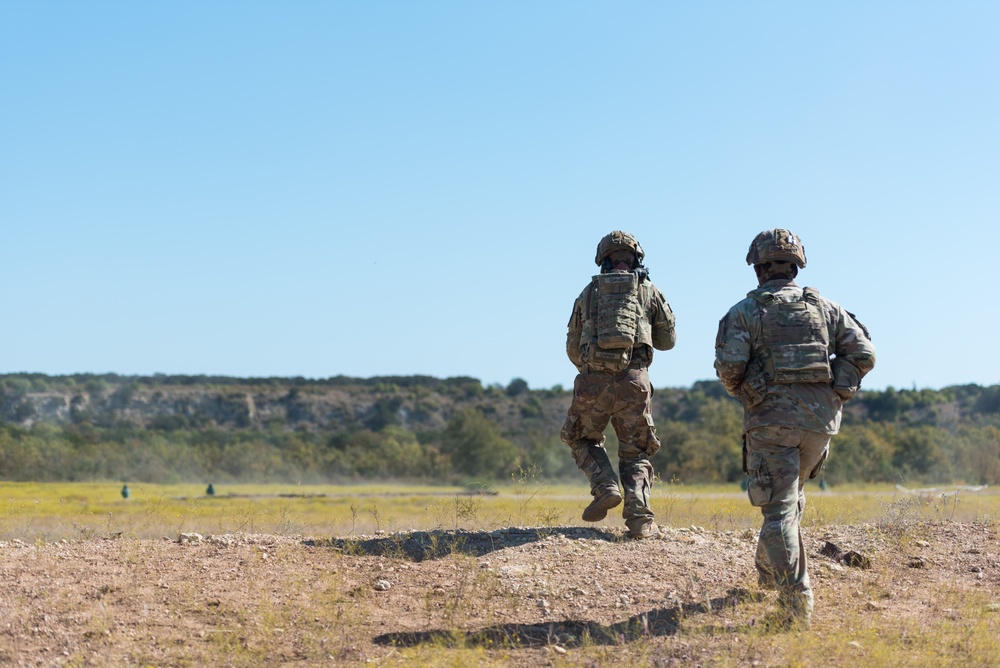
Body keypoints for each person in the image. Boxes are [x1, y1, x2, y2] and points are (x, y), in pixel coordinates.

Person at [714, 228, 875, 629]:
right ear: (796, 265)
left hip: (771, 423)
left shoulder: (745, 312)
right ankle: (767, 575)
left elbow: (730, 366)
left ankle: (795, 602)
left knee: (779, 511)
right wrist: (837, 388)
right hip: (819, 424)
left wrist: (746, 390)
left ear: (758, 267)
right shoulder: (825, 308)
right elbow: (864, 353)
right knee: (790, 498)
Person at [560, 231, 676, 539]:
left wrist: (593, 373)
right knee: (635, 451)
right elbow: (668, 341)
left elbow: (573, 346)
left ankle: (605, 486)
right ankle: (639, 518)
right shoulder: (649, 290)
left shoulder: (589, 292)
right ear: (637, 258)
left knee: (581, 438)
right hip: (635, 382)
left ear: (604, 260)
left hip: (592, 381)